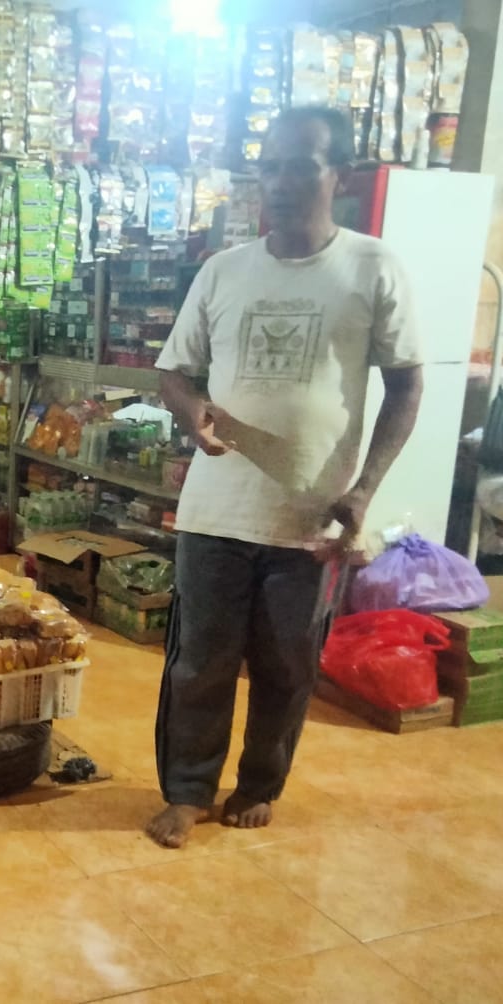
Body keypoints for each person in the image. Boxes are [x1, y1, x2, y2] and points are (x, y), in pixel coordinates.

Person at [146, 106, 423, 849]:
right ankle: (187, 791)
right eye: (270, 166)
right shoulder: (224, 270)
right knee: (200, 663)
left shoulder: (372, 267)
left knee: (287, 665)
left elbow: (406, 384)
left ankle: (258, 785)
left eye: (301, 165)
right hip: (215, 510)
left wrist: (364, 490)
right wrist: (192, 412)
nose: (281, 181)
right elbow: (173, 371)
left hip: (310, 518)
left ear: (341, 176)